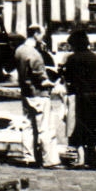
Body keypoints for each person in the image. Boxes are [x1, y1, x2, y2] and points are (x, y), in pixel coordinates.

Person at [14, 26, 61, 168]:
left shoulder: (19, 50)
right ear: (35, 34)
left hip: (26, 93)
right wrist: (53, 82)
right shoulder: (34, 54)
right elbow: (41, 77)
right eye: (41, 35)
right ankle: (49, 160)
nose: (42, 38)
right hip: (39, 94)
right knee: (45, 128)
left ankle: (28, 156)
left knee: (28, 126)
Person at [62, 28, 96, 169]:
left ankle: (81, 159)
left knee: (80, 126)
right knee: (95, 126)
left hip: (81, 96)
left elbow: (69, 79)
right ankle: (94, 158)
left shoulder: (72, 59)